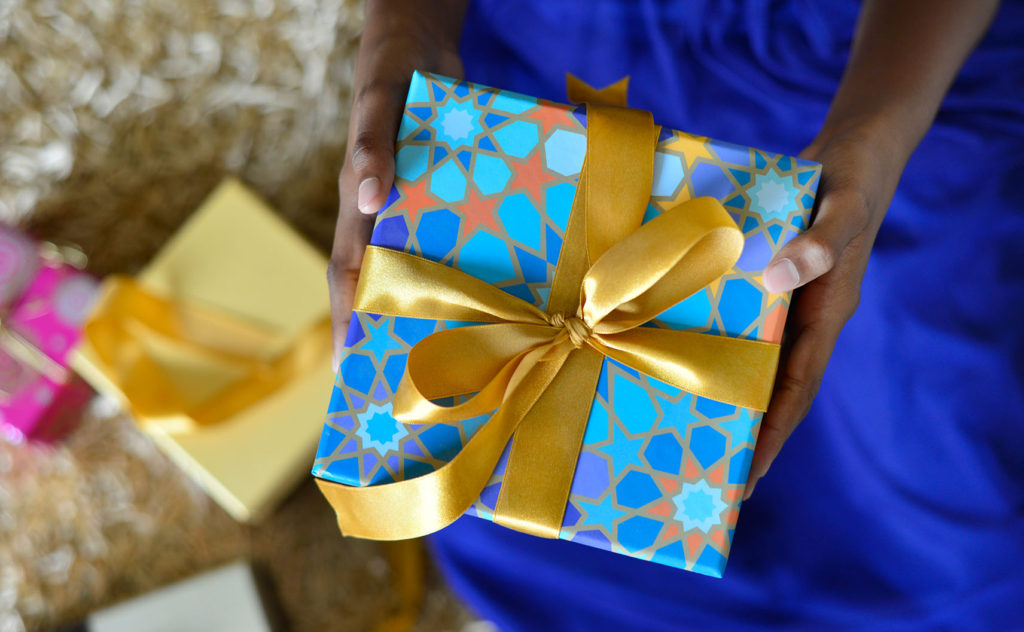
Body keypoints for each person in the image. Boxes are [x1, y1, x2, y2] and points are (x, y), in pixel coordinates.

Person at [329, 1, 1024, 629]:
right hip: (561, 68)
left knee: (959, 527)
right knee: (488, 497)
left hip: (875, 71)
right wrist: (404, 31)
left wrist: (876, 133)